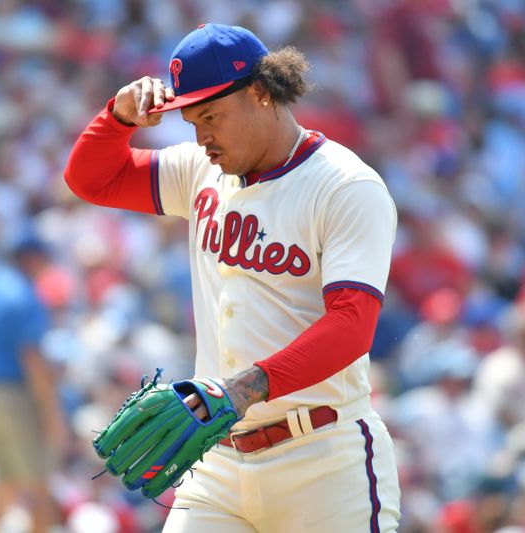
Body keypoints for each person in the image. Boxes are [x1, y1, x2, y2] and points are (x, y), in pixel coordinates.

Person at [65, 23, 401, 532]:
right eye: (192, 121)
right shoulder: (200, 171)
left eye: (211, 116)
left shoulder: (344, 186)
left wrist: (247, 387)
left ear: (262, 94)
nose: (201, 138)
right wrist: (116, 119)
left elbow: (353, 325)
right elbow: (91, 178)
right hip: (216, 463)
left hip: (324, 461)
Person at [0, 242, 69, 533]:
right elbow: (31, 358)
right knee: (40, 488)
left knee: (4, 483)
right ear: (30, 258)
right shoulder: (24, 293)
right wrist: (51, 413)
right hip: (16, 398)